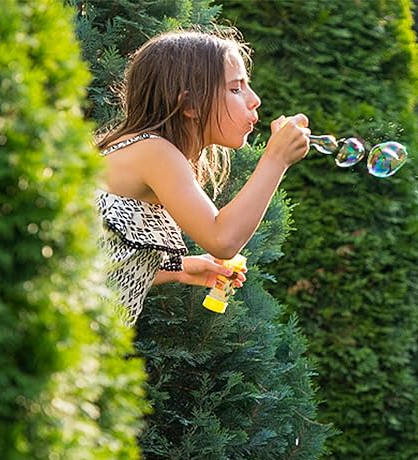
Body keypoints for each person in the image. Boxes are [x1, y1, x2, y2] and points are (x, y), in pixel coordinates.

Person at [94, 28, 311, 325]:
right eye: (236, 89)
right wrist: (276, 159)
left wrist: (179, 270)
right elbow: (222, 239)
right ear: (190, 105)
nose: (255, 99)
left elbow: (98, 264)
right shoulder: (155, 152)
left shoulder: (148, 151)